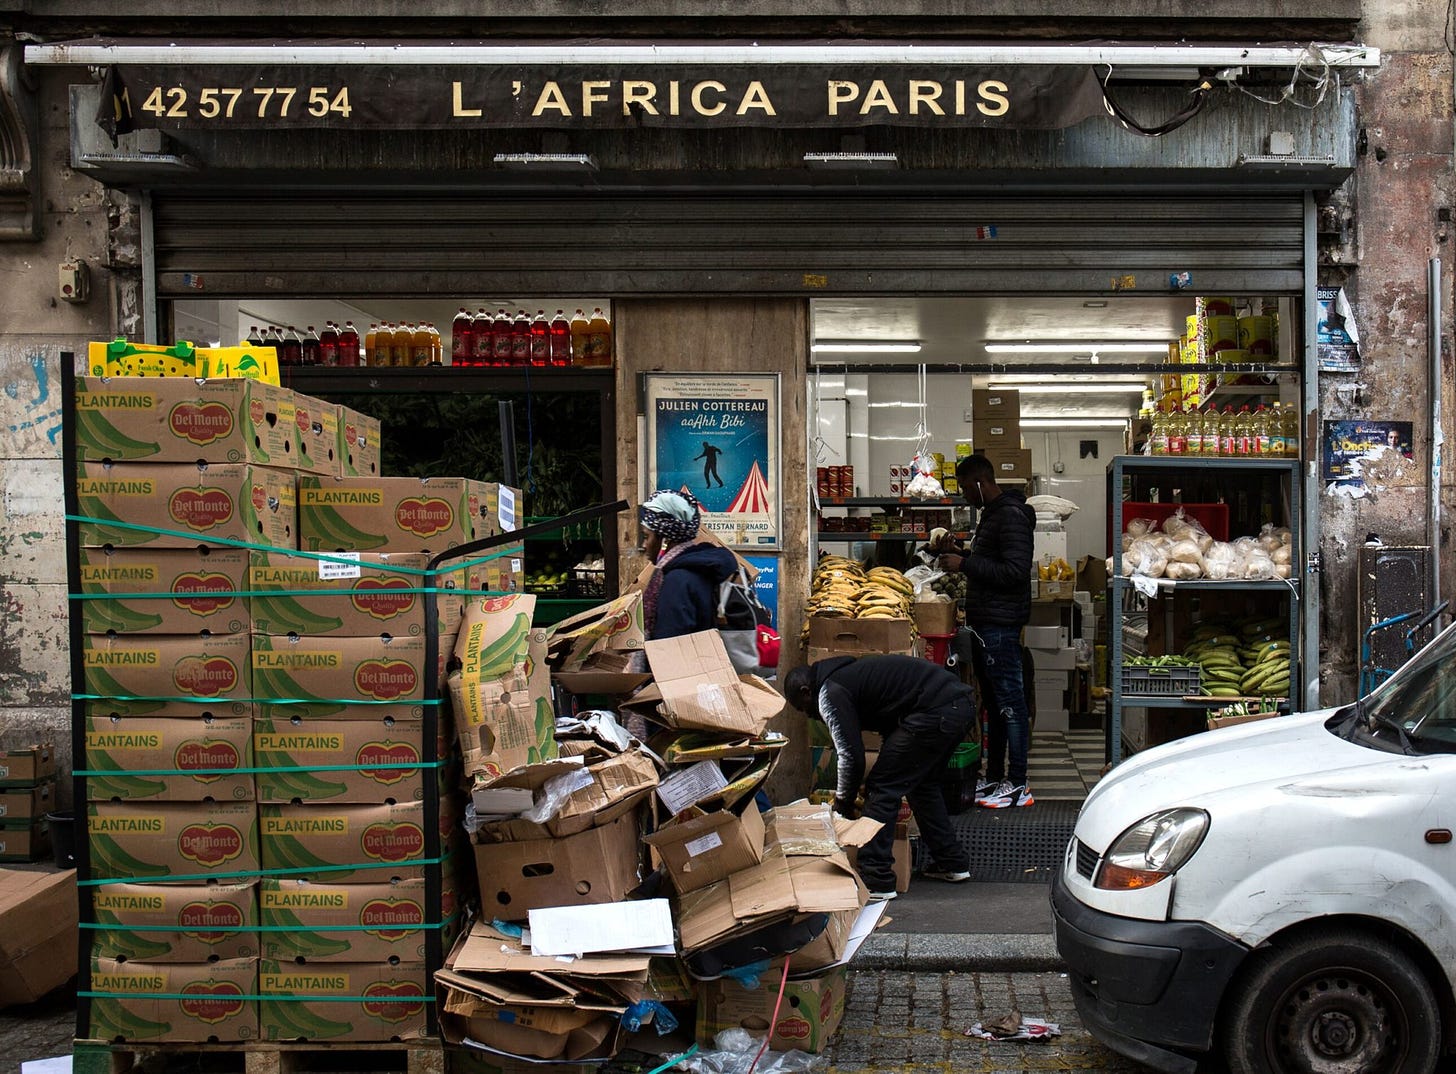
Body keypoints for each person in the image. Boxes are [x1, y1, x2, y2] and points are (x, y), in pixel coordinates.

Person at [784, 655, 975, 901]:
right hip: (955, 706)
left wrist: (843, 803)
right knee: (922, 785)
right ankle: (953, 863)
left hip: (935, 711)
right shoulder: (848, 675)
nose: (809, 715)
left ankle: (877, 879)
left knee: (882, 786)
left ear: (805, 691)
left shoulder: (830, 693)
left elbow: (851, 756)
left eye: (802, 708)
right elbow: (891, 725)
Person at [937, 453, 1036, 809]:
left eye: (965, 488)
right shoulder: (993, 516)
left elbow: (1014, 572)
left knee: (1011, 705)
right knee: (994, 707)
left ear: (980, 483)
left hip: (1001, 626)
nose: (964, 495)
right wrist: (961, 552)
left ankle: (1018, 784)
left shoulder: (1010, 516)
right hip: (986, 625)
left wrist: (965, 564)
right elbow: (995, 562)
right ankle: (995, 779)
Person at [638, 488, 738, 640]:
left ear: (665, 540)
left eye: (646, 536)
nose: (644, 545)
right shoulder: (702, 566)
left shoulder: (677, 581)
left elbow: (668, 646)